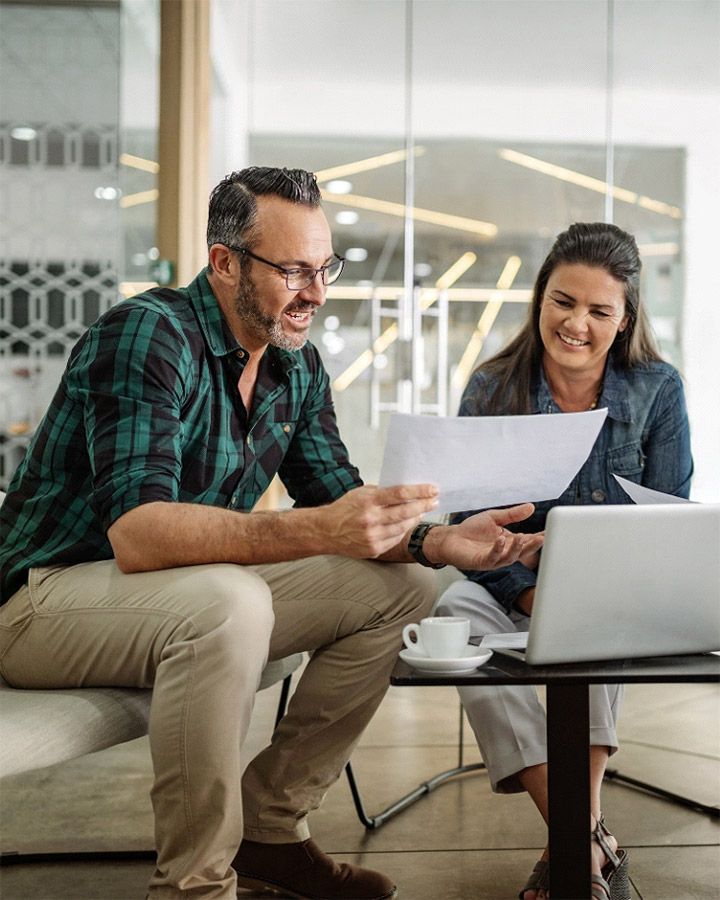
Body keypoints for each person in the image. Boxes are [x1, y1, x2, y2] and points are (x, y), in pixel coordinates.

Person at [0, 166, 542, 900]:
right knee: (231, 600)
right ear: (224, 263)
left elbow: (340, 501)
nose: (317, 293)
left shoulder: (296, 368)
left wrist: (436, 542)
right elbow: (138, 533)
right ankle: (195, 887)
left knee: (400, 587)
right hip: (42, 603)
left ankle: (272, 829)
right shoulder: (146, 334)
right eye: (293, 271)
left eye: (325, 269)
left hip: (174, 601)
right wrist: (318, 528)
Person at [436, 222, 693, 900]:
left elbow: (669, 517)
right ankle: (586, 836)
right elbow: (467, 529)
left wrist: (579, 582)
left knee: (596, 613)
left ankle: (569, 848)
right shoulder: (492, 389)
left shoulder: (658, 390)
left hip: (611, 591)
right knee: (453, 611)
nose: (576, 322)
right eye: (562, 301)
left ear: (624, 318)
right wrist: (526, 593)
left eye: (598, 310)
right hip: (509, 588)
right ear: (540, 300)